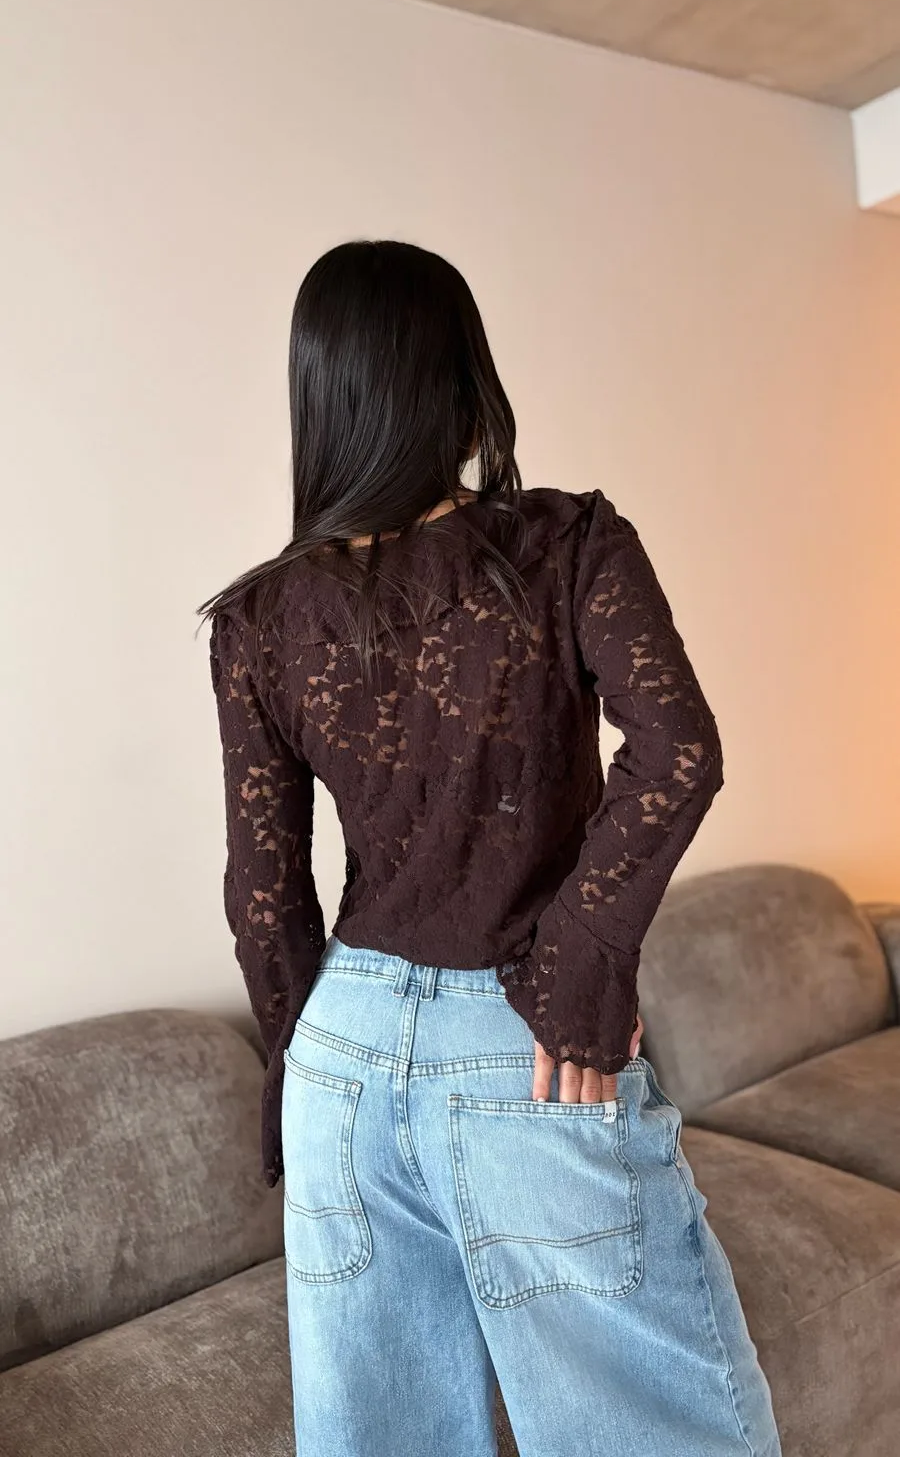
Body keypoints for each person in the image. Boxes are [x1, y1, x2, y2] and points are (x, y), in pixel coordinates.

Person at [200, 240, 781, 1457]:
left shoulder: (259, 617)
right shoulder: (568, 545)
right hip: (523, 1051)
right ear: (463, 381)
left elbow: (264, 896)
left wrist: (296, 1072)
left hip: (342, 1056)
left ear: (320, 397)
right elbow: (677, 749)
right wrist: (577, 956)